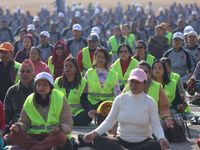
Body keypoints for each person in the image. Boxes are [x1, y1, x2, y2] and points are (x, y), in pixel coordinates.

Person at [83, 68, 169, 150]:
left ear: (145, 84)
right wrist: (94, 133)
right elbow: (109, 121)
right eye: (132, 81)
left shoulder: (150, 102)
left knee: (156, 145)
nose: (134, 84)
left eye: (138, 82)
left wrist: (161, 138)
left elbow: (156, 125)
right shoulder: (120, 99)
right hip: (121, 140)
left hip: (144, 141)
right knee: (97, 140)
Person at [9, 72, 73, 150]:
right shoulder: (29, 100)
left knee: (61, 137)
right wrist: (17, 127)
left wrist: (60, 128)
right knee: (13, 135)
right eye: (38, 85)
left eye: (45, 85)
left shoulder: (60, 99)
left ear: (51, 87)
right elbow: (25, 123)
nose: (41, 87)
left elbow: (68, 124)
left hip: (53, 136)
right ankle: (44, 147)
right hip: (33, 136)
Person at [54, 56, 96, 126]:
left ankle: (65, 121)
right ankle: (66, 120)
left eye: (70, 66)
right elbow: (54, 99)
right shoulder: (57, 81)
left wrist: (89, 111)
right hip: (61, 112)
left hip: (76, 112)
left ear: (76, 69)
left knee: (87, 118)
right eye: (66, 66)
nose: (67, 68)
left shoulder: (82, 82)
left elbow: (84, 100)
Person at [4, 59, 35, 125]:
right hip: (17, 125)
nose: (25, 74)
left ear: (33, 74)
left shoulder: (39, 89)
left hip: (36, 125)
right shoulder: (12, 90)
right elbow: (7, 113)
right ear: (18, 74)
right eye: (22, 71)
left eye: (28, 71)